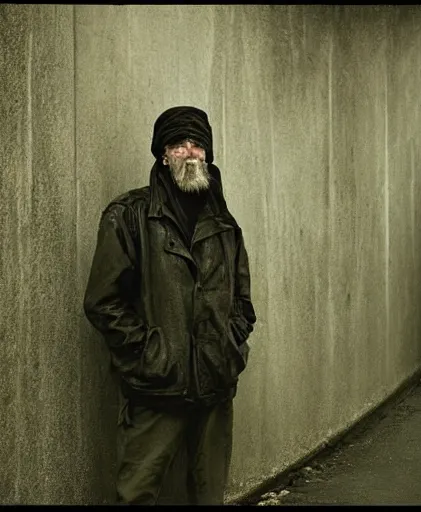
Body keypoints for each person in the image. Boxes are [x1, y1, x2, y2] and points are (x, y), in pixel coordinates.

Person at [83, 106, 257, 504]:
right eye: (179, 144)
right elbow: (102, 301)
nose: (189, 152)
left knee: (209, 496)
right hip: (157, 389)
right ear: (163, 155)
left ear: (207, 156)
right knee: (136, 494)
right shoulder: (129, 215)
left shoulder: (225, 224)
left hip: (215, 386)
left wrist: (227, 346)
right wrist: (152, 355)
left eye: (197, 145)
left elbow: (243, 302)